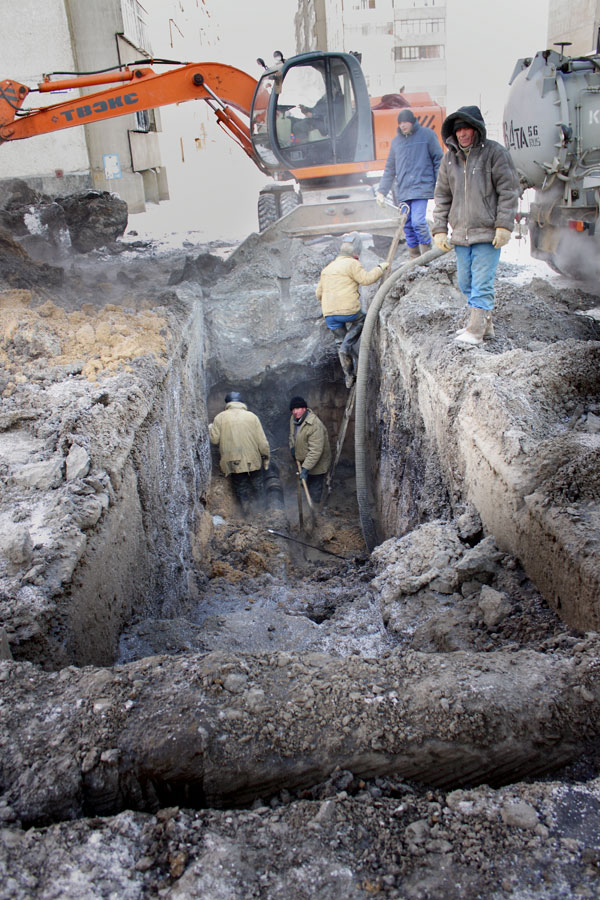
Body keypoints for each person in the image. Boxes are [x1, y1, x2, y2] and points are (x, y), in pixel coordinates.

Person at [432, 105, 520, 345]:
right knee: (466, 282)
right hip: (461, 234)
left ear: (477, 129)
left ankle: (476, 329)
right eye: (458, 130)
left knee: (481, 282)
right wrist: (439, 229)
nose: (462, 134)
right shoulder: (449, 160)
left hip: (487, 233)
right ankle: (485, 324)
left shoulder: (494, 154)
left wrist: (504, 226)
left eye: (467, 128)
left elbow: (509, 191)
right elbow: (442, 197)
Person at [315, 232, 389, 388]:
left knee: (340, 341)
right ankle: (346, 348)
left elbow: (318, 294)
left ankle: (349, 374)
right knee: (363, 319)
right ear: (356, 252)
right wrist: (380, 268)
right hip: (349, 311)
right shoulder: (352, 264)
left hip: (330, 315)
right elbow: (366, 279)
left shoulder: (327, 269)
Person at [376, 109, 443, 258]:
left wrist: (439, 181)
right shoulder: (396, 142)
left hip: (421, 186)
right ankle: (414, 256)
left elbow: (439, 159)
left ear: (412, 122)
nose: (402, 125)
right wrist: (382, 192)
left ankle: (427, 255)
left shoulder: (427, 136)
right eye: (400, 123)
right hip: (404, 190)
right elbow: (390, 168)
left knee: (418, 222)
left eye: (405, 122)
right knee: (406, 225)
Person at [209, 391, 270, 513]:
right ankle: (263, 511)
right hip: (253, 460)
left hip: (233, 462)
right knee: (258, 485)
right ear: (241, 402)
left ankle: (247, 512)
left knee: (241, 487)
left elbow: (214, 440)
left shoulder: (219, 418)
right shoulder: (252, 416)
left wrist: (211, 427)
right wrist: (266, 457)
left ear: (228, 403)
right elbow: (262, 442)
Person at [288, 396, 332, 504]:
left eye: (297, 409)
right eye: (293, 410)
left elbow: (315, 451)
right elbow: (291, 436)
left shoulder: (314, 425)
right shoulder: (293, 419)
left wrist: (305, 469)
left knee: (315, 488)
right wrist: (292, 447)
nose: (295, 412)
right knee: (305, 484)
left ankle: (316, 509)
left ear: (304, 408)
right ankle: (308, 504)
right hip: (304, 461)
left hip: (318, 464)